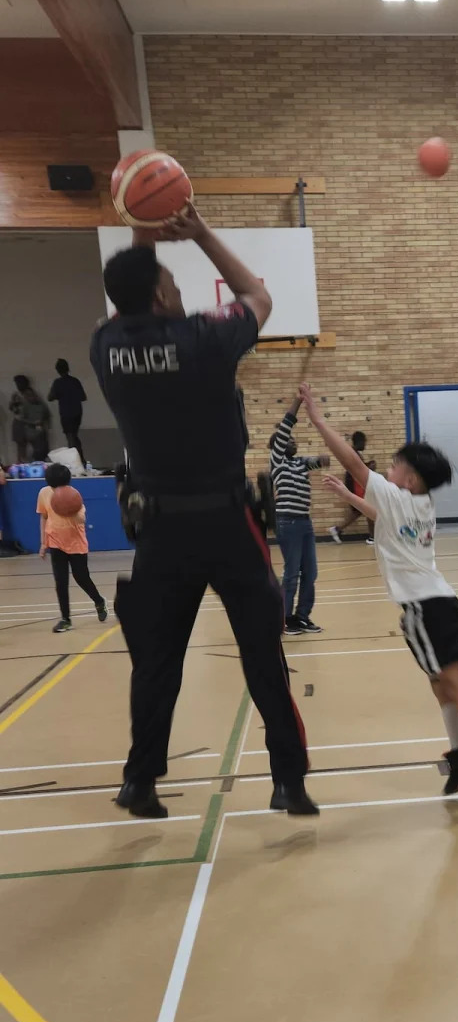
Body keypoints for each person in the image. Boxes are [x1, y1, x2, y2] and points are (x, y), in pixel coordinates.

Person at [90, 203, 316, 820]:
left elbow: (130, 300)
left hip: (161, 530)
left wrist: (141, 231)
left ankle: (140, 783)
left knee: (157, 662)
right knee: (263, 658)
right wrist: (201, 233)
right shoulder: (204, 338)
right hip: (226, 523)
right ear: (162, 299)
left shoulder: (106, 344)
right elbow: (256, 294)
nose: (180, 288)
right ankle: (288, 783)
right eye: (172, 284)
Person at [300, 385, 458, 802]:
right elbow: (384, 517)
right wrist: (349, 497)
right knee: (441, 684)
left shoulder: (397, 495)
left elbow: (353, 461)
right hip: (440, 603)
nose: (390, 469)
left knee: (452, 682)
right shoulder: (418, 504)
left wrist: (319, 421)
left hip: (425, 607)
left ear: (409, 477)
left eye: (397, 465)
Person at [269, 391, 329, 634]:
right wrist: (298, 402)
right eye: (288, 441)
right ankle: (285, 619)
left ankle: (302, 616)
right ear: (279, 445)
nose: (293, 442)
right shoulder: (277, 461)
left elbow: (322, 461)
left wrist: (324, 459)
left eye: (294, 441)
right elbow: (285, 426)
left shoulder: (301, 463)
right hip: (288, 523)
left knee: (310, 573)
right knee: (291, 573)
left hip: (305, 523)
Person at [37, 463, 108, 633]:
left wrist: (69, 510)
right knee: (60, 582)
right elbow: (44, 518)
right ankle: (65, 619)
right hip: (56, 543)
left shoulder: (72, 495)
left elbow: (81, 519)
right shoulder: (44, 493)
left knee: (81, 577)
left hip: (76, 543)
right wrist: (43, 543)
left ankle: (99, 600)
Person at [329, 432, 376, 544]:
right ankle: (372, 537)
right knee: (367, 507)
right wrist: (371, 466)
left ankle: (337, 529)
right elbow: (360, 468)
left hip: (355, 484)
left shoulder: (355, 453)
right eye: (364, 442)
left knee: (359, 511)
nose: (365, 445)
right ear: (359, 442)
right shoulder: (354, 453)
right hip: (355, 484)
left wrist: (369, 465)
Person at [48, 360, 88, 467]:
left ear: (57, 370)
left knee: (70, 437)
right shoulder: (75, 381)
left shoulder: (58, 382)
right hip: (77, 412)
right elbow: (83, 397)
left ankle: (75, 462)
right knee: (74, 436)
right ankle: (81, 459)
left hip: (66, 413)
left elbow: (50, 397)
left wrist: (61, 394)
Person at [9, 376, 51, 462]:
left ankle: (33, 462)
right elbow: (12, 409)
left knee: (37, 446)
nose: (18, 385)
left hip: (32, 425)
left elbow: (41, 408)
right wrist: (13, 403)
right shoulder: (16, 395)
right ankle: (20, 463)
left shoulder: (30, 393)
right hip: (19, 422)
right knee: (21, 446)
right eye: (17, 383)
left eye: (19, 383)